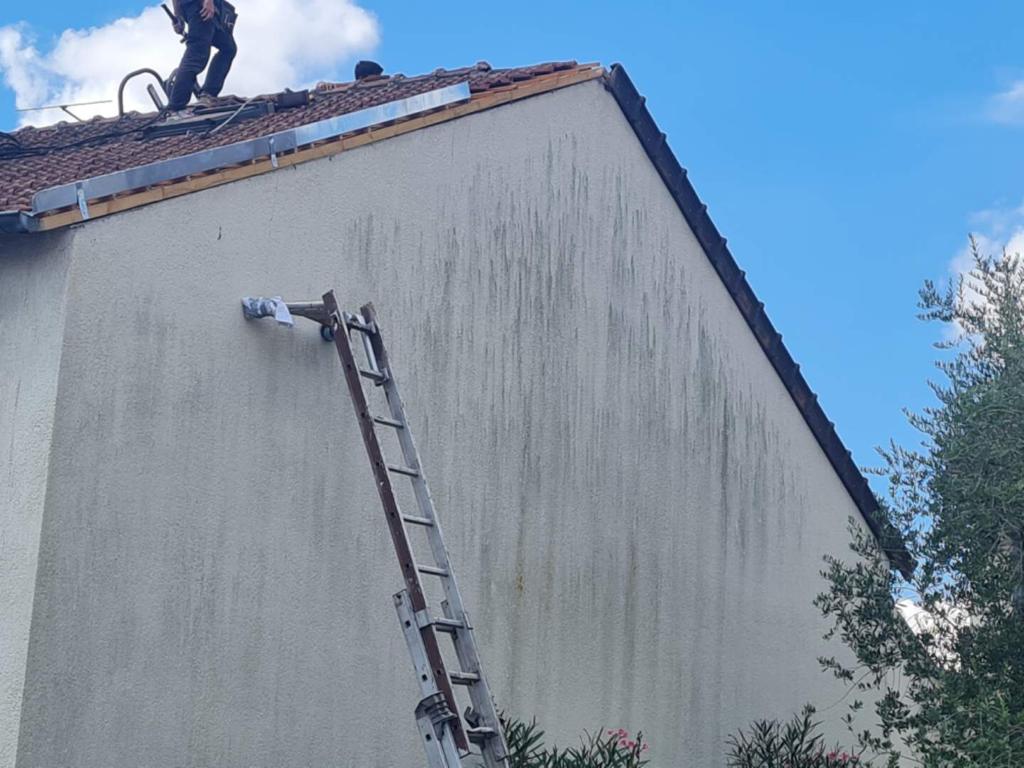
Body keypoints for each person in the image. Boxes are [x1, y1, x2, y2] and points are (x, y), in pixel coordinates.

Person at [166, 0, 237, 113]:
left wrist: (178, 15)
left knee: (228, 48)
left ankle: (208, 94)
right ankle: (176, 105)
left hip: (202, 8)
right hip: (201, 7)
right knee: (196, 55)